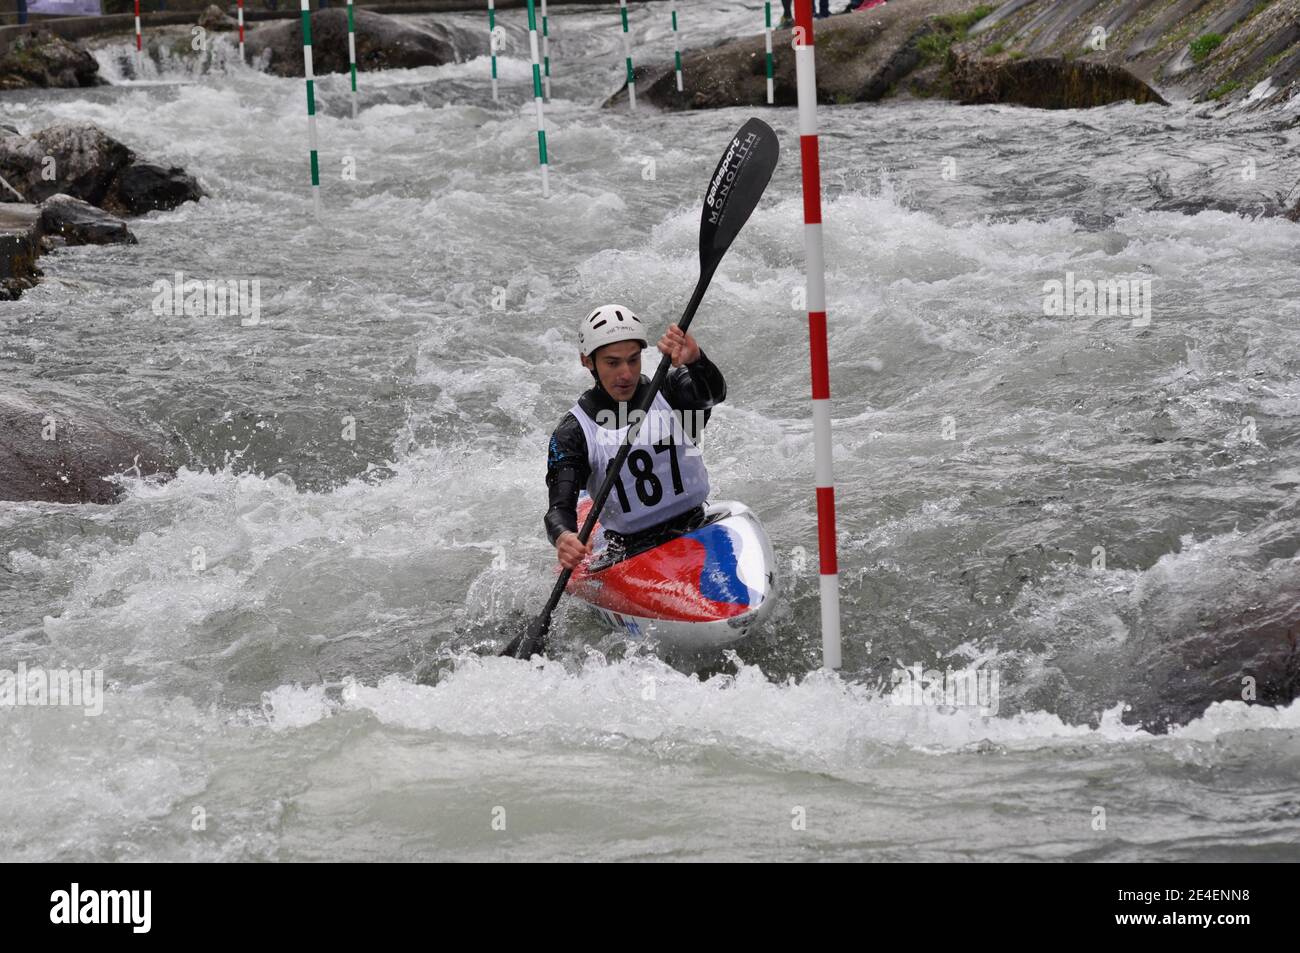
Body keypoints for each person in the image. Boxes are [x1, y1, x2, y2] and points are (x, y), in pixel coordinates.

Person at [544, 304, 726, 570]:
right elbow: (559, 509)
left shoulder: (670, 392)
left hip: (696, 526)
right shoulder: (573, 433)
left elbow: (712, 395)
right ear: (587, 361)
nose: (626, 374)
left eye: (633, 359)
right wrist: (564, 536)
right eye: (612, 362)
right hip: (629, 552)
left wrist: (696, 360)